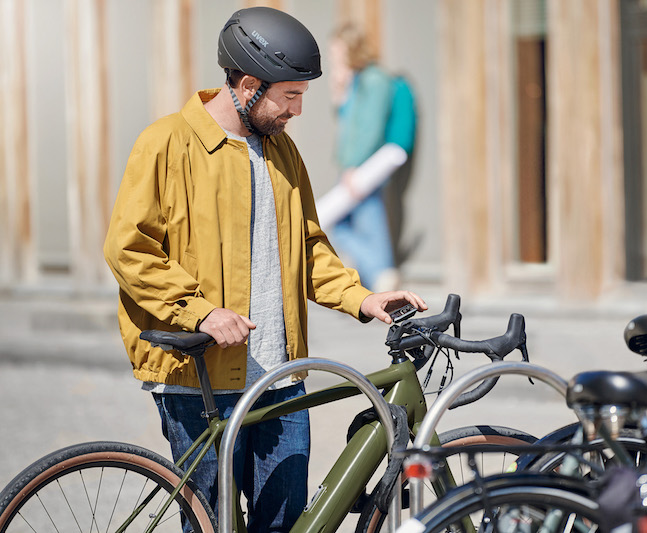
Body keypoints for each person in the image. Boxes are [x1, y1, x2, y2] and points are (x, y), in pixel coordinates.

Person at [102, 7, 426, 532]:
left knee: (284, 524)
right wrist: (200, 311)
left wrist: (361, 298)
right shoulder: (166, 144)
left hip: (281, 377)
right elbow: (129, 250)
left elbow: (308, 247)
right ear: (249, 84)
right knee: (210, 525)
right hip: (198, 381)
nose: (298, 110)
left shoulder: (283, 152)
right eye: (290, 96)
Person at [319, 23, 417, 292]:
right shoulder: (355, 79)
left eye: (335, 49)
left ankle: (382, 273)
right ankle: (378, 274)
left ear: (349, 48)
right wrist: (339, 92)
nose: (331, 55)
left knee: (363, 218)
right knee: (357, 220)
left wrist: (354, 166)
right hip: (353, 164)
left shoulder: (374, 80)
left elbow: (370, 128)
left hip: (365, 166)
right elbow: (345, 123)